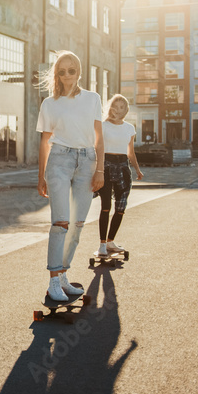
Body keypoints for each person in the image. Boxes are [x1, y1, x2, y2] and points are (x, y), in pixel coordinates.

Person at [37, 51, 104, 302]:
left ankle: (64, 274)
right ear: (57, 74)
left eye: (71, 70)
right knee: (61, 222)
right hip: (59, 161)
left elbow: (99, 137)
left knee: (77, 225)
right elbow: (45, 141)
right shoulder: (50, 103)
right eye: (61, 71)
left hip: (87, 162)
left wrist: (100, 169)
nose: (67, 76)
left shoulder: (93, 98)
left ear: (79, 72)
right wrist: (41, 175)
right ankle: (53, 280)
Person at [96, 94, 144, 257]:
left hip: (124, 168)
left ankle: (110, 241)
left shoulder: (129, 128)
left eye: (121, 107)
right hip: (106, 166)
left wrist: (137, 169)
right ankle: (102, 244)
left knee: (121, 208)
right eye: (115, 106)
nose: (117, 110)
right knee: (105, 206)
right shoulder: (103, 125)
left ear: (126, 110)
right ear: (110, 107)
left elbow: (131, 152)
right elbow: (97, 148)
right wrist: (97, 170)